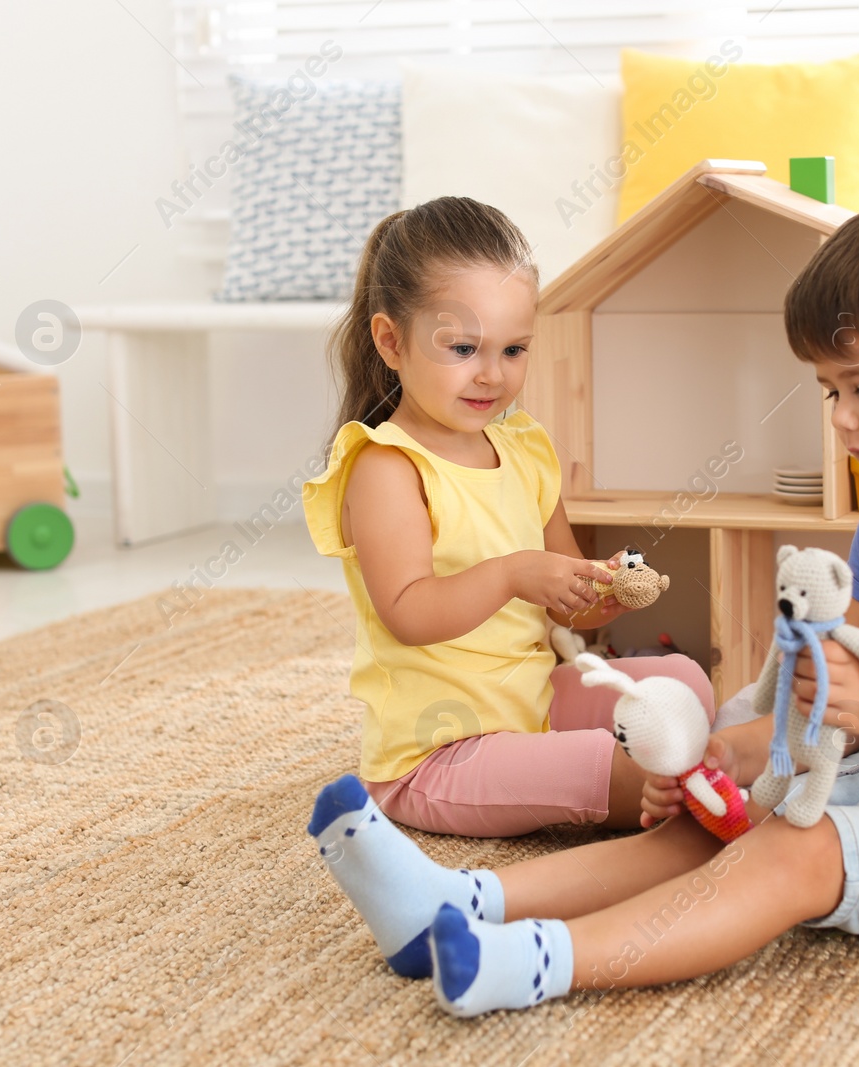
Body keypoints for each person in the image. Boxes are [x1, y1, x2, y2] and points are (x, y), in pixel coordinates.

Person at [306, 188, 859, 1016]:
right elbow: (835, 703)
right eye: (831, 392)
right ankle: (459, 901)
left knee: (790, 851)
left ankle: (536, 964)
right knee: (717, 819)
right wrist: (726, 751)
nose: (841, 419)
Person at [299, 197, 716, 962]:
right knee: (641, 772)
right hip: (441, 751)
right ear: (391, 341)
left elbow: (571, 610)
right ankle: (668, 812)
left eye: (515, 349)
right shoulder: (386, 467)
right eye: (464, 348)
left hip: (531, 700)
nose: (494, 374)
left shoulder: (522, 448)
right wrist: (521, 571)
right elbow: (408, 612)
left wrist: (599, 586)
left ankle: (686, 774)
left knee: (685, 683)